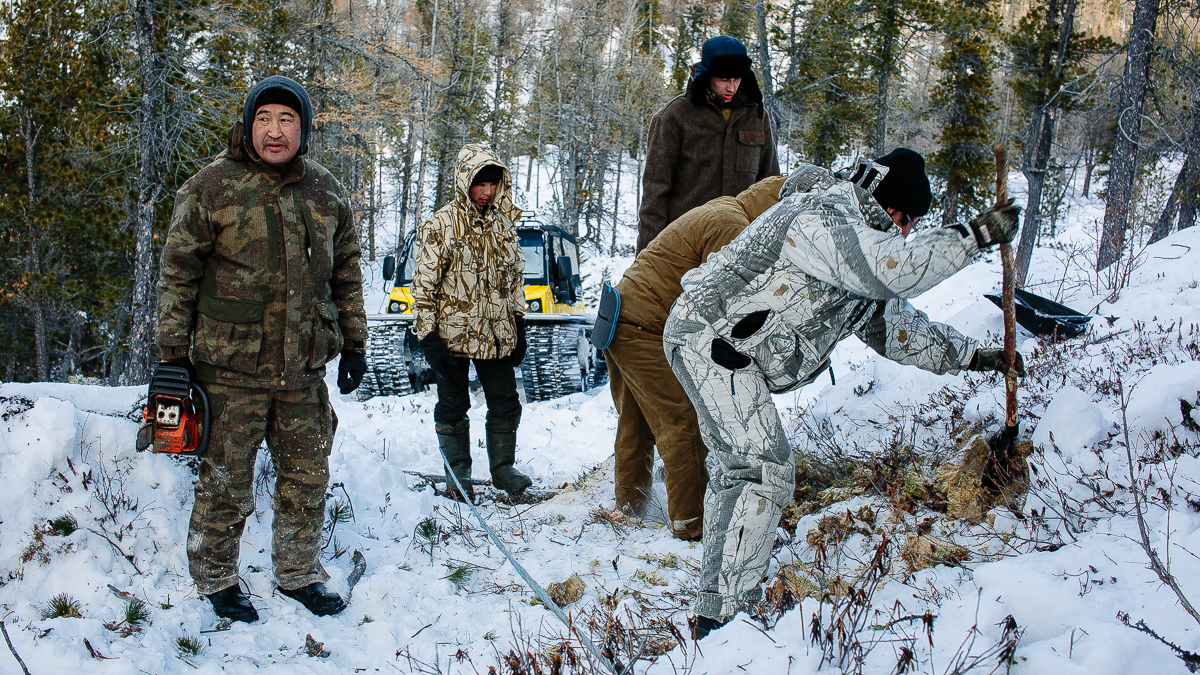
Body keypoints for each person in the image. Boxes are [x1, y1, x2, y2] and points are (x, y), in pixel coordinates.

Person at [662, 148, 1024, 638]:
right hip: (709, 338)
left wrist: (972, 357)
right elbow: (889, 269)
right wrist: (974, 236)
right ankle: (720, 623)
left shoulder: (861, 246)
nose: (908, 232)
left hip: (732, 349)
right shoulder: (823, 216)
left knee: (748, 467)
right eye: (909, 220)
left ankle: (724, 608)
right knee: (759, 468)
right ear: (890, 205)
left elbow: (897, 327)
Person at [156, 75, 368, 623]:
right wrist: (172, 355)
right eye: (265, 119)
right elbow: (178, 272)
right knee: (226, 481)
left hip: (302, 370)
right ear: (249, 124)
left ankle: (298, 574)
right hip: (230, 369)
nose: (275, 131)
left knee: (306, 476)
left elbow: (346, 271)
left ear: (304, 128)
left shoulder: (324, 192)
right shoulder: (210, 188)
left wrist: (355, 343)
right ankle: (216, 579)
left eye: (288, 120)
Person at [608, 175, 786, 540]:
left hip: (621, 316)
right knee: (683, 421)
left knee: (637, 421)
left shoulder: (725, 208)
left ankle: (630, 505)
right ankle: (692, 521)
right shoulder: (733, 228)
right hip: (646, 326)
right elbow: (721, 305)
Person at [412, 144, 532, 503]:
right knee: (452, 406)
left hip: (496, 336)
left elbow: (514, 283)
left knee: (507, 403)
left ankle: (503, 470)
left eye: (493, 184)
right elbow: (423, 289)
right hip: (452, 338)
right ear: (466, 182)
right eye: (481, 184)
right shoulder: (440, 225)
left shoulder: (504, 226)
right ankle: (458, 477)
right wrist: (428, 337)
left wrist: (518, 325)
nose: (487, 192)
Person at [637, 35, 780, 253]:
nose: (731, 87)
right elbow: (655, 195)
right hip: (685, 247)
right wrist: (646, 258)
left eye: (737, 78)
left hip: (742, 248)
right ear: (707, 74)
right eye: (724, 79)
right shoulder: (674, 116)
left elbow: (770, 187)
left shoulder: (758, 118)